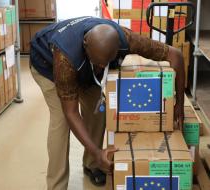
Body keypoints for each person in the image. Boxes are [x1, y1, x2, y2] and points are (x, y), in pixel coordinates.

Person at [29, 16, 184, 190]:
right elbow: (71, 112)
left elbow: (175, 56)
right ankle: (57, 185)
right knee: (62, 121)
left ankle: (92, 164)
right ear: (86, 46)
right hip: (47, 65)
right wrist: (97, 150)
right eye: (98, 64)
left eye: (106, 64)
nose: (102, 69)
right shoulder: (65, 58)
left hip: (84, 69)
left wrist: (179, 103)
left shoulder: (127, 38)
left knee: (97, 112)